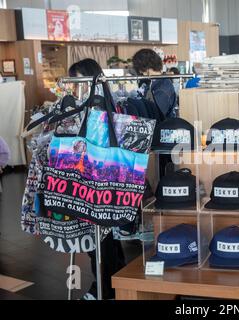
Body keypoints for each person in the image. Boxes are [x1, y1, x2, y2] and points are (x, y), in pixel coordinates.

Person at [68, 59, 126, 301]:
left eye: (78, 80)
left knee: (101, 240)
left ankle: (105, 287)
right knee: (102, 239)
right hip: (97, 181)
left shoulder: (102, 107)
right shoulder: (93, 105)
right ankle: (108, 286)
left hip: (102, 181)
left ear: (90, 78)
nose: (75, 87)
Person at [132, 49, 177, 118]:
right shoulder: (154, 82)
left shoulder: (162, 87)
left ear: (145, 66)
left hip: (161, 127)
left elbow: (156, 116)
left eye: (140, 68)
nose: (140, 72)